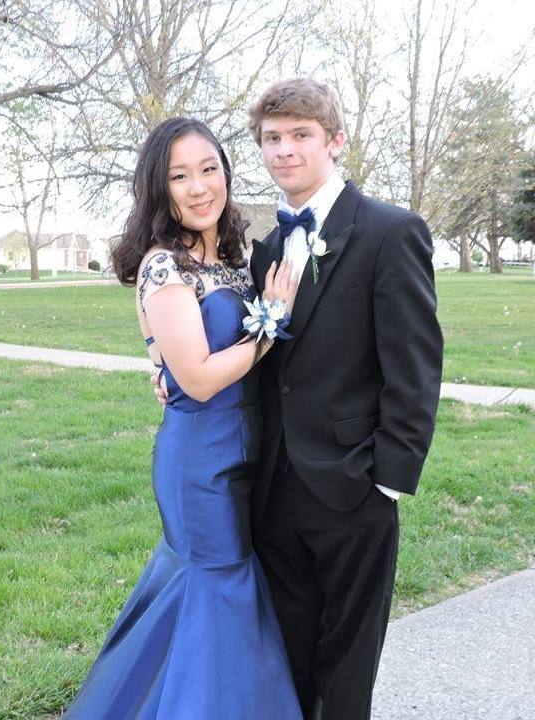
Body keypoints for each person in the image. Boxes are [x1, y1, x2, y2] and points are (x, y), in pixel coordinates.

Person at [152, 78, 444, 720]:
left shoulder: (391, 232)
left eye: (301, 135)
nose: (285, 150)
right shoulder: (261, 250)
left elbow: (416, 368)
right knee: (284, 662)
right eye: (272, 138)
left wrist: (386, 484)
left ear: (334, 141)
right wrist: (166, 368)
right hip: (269, 489)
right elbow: (242, 350)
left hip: (353, 489)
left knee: (346, 667)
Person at [63, 117, 304, 719]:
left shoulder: (235, 259)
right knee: (215, 588)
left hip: (247, 454)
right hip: (200, 465)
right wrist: (271, 322)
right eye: (179, 176)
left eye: (208, 169)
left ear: (225, 173)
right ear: (159, 188)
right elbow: (196, 376)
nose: (199, 187)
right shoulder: (163, 267)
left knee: (213, 599)